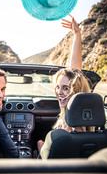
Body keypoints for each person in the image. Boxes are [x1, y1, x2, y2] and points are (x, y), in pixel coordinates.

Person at [37, 15, 92, 154]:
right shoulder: (78, 116)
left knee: (39, 142)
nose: (59, 92)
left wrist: (40, 146)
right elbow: (75, 72)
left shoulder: (70, 127)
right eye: (58, 87)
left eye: (66, 88)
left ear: (76, 91)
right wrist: (77, 35)